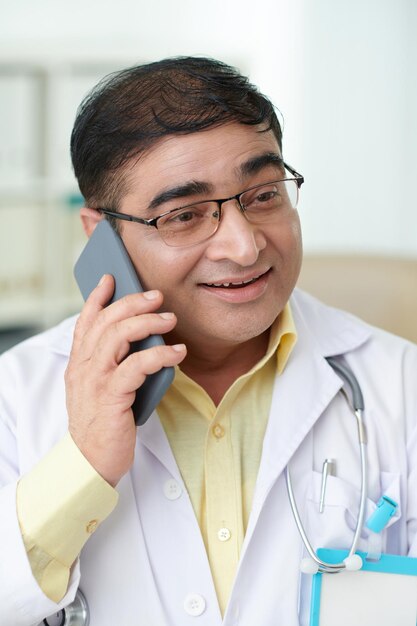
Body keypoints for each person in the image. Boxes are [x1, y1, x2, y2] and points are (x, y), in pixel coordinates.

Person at [0, 56, 416, 626]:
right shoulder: (17, 394)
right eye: (185, 215)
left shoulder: (400, 385)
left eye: (264, 194)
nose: (244, 247)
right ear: (102, 238)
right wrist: (84, 463)